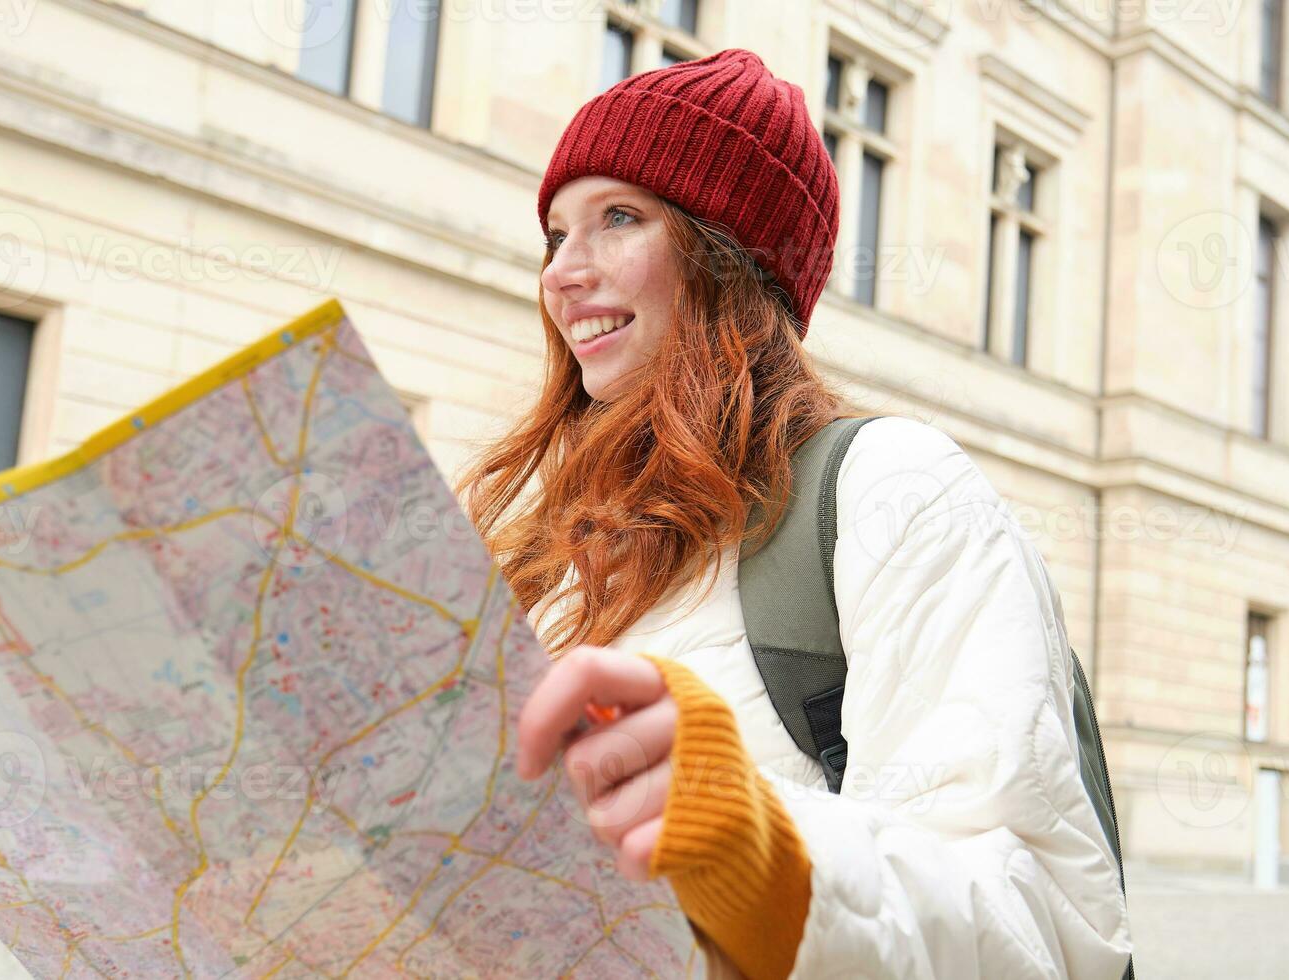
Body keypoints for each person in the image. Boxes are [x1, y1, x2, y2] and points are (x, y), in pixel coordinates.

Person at [455, 49, 1134, 978]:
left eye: (619, 218)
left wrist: (754, 845)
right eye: (554, 234)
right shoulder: (563, 552)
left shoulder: (893, 486)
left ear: (730, 258)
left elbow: (1042, 926)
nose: (563, 273)